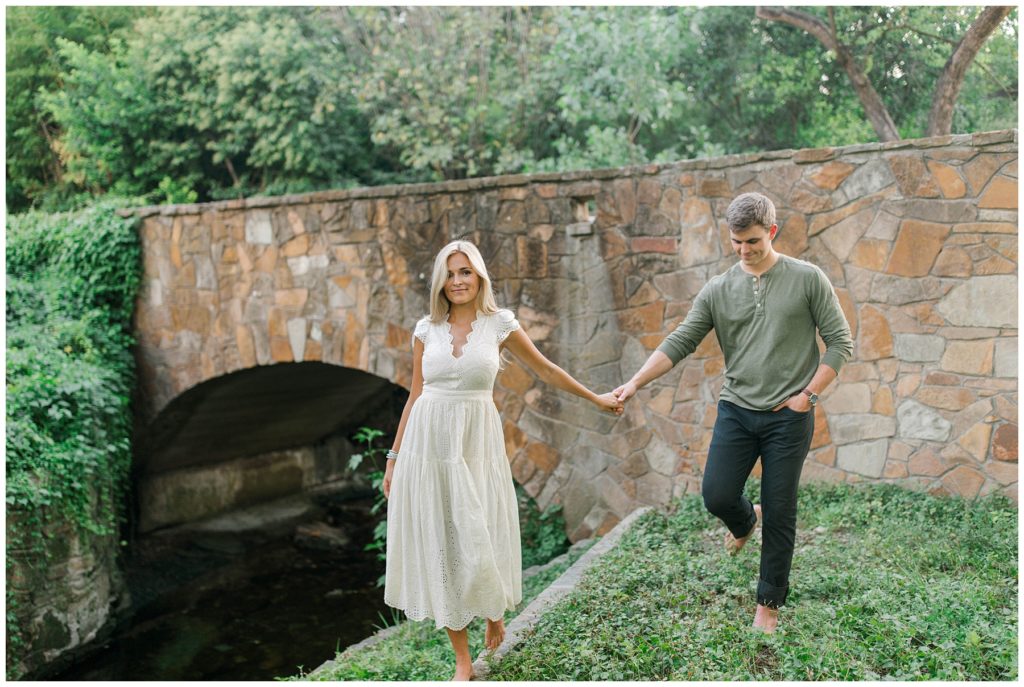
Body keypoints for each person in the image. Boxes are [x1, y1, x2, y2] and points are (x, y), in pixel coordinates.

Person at [382, 240, 623, 680]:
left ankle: (493, 609)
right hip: (428, 445)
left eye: (466, 272)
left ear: (480, 277)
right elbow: (415, 395)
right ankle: (462, 662)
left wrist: (595, 398)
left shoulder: (499, 324)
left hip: (476, 442)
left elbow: (546, 370)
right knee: (444, 540)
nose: (457, 281)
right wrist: (394, 457)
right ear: (440, 280)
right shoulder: (425, 330)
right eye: (450, 274)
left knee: (480, 527)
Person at [613, 192, 852, 633]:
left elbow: (841, 343)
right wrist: (635, 383)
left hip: (789, 415)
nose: (745, 250)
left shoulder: (807, 279)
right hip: (737, 409)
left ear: (772, 232)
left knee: (781, 510)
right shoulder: (719, 289)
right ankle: (744, 520)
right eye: (738, 242)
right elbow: (680, 341)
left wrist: (808, 396)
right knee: (717, 494)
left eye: (754, 242)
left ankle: (768, 605)